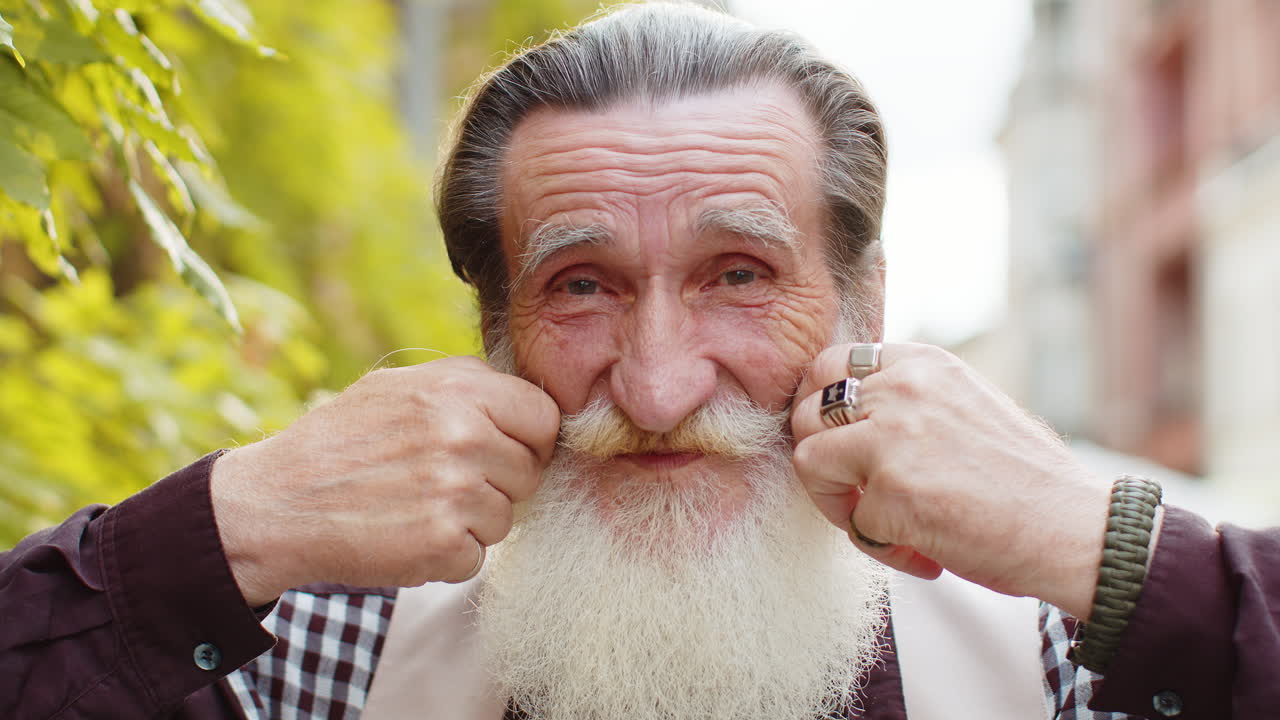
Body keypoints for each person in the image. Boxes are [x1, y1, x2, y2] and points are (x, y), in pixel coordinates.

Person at [1, 4, 1275, 719]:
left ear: (864, 303)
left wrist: (1115, 556)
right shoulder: (326, 648)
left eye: (739, 273)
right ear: (493, 339)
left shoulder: (1058, 650)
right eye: (581, 286)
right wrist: (229, 528)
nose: (658, 386)